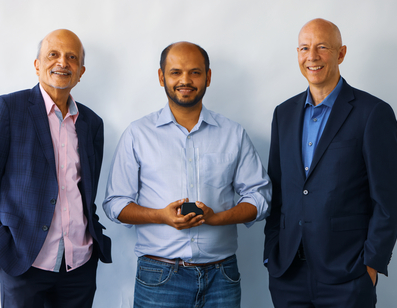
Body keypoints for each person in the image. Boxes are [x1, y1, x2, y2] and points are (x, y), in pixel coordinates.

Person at [103, 41, 271, 308]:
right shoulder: (138, 134)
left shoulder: (233, 133)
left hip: (222, 277)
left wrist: (217, 219)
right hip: (159, 277)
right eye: (175, 72)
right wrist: (161, 216)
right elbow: (115, 204)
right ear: (162, 77)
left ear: (208, 76)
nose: (185, 80)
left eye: (195, 72)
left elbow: (260, 198)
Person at [264, 18, 397, 307]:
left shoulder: (372, 113)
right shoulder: (283, 114)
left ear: (341, 53)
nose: (311, 56)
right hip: (288, 274)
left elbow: (388, 199)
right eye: (304, 48)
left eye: (322, 47)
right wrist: (272, 252)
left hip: (348, 274)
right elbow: (277, 190)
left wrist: (372, 265)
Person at [0, 29, 112, 308]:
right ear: (37, 65)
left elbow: (85, 192)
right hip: (24, 263)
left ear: (81, 71)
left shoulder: (91, 123)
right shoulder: (7, 109)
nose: (62, 63)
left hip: (79, 265)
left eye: (72, 57)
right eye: (53, 55)